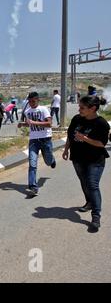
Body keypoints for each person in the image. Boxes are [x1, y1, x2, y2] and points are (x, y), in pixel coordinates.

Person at [62, 96, 109, 232]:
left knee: (93, 184)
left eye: (82, 107)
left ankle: (95, 217)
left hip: (95, 160)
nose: (79, 109)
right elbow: (70, 135)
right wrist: (66, 150)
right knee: (84, 182)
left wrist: (85, 138)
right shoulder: (77, 119)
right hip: (78, 158)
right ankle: (89, 202)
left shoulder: (101, 123)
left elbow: (101, 143)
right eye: (79, 107)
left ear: (93, 108)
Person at [18, 92, 56, 197]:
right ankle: (33, 187)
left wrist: (34, 123)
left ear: (38, 100)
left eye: (33, 101)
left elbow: (49, 124)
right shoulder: (27, 111)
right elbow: (29, 123)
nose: (31, 103)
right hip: (33, 140)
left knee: (48, 161)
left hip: (45, 139)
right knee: (32, 163)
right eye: (29, 101)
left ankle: (52, 160)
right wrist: (22, 124)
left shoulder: (43, 109)